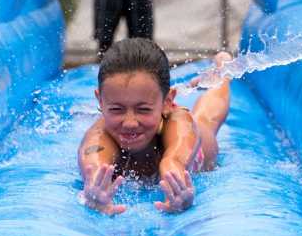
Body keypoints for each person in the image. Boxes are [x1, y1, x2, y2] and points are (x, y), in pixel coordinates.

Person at [77, 38, 232, 215]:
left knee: (206, 118)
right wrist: (95, 195)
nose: (129, 123)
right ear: (100, 101)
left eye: (143, 110)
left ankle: (222, 71)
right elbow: (93, 168)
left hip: (197, 140)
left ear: (168, 101)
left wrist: (176, 191)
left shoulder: (178, 124)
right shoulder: (99, 135)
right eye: (116, 109)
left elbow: (174, 163)